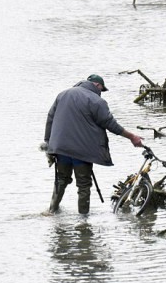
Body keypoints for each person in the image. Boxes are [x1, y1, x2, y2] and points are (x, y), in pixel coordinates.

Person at [43, 74, 143, 214]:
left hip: (60, 149)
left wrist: (48, 143)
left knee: (60, 180)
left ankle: (52, 211)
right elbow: (110, 124)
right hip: (82, 152)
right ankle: (83, 221)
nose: (101, 93)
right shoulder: (96, 101)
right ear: (97, 85)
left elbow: (50, 118)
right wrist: (132, 136)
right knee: (83, 185)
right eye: (101, 89)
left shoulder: (63, 94)